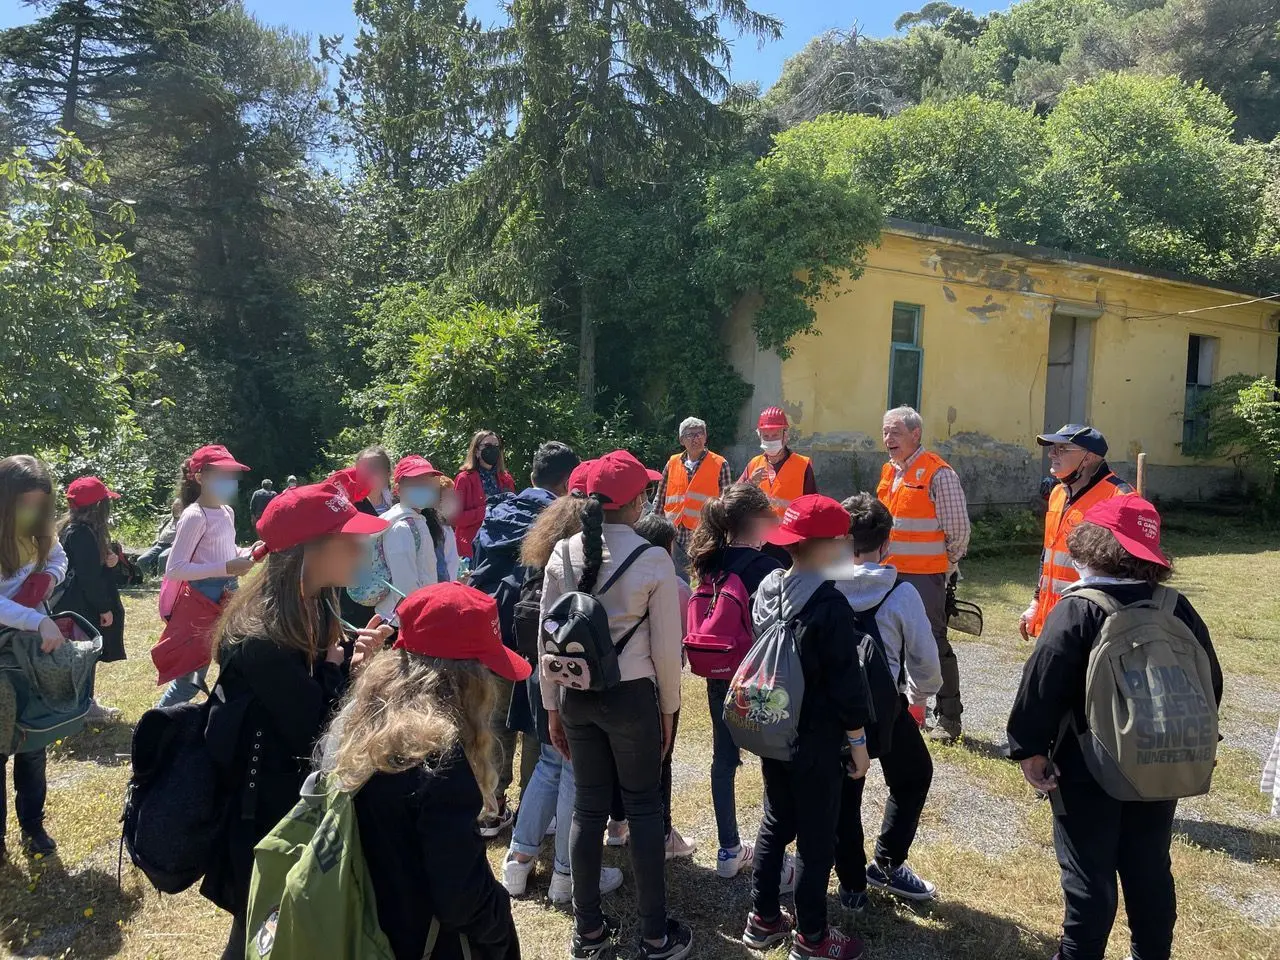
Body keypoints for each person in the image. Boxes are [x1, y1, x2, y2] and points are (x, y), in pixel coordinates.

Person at [1007, 496, 1223, 960]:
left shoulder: (1081, 608)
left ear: (1089, 545)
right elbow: (1210, 682)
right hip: (1156, 758)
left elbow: (1043, 683)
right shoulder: (1175, 605)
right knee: (1149, 867)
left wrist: (1029, 749)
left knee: (1089, 874)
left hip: (1089, 765)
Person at [200, 482, 389, 960]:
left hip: (289, 799)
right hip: (262, 813)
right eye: (349, 538)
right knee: (259, 926)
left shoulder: (314, 606)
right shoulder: (260, 638)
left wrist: (343, 663)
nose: (361, 548)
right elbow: (317, 730)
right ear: (310, 550)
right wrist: (341, 669)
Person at [317, 581, 525, 960]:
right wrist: (501, 922)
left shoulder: (363, 721)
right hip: (419, 941)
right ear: (468, 679)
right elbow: (461, 898)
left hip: (362, 923)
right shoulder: (441, 760)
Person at [540, 451, 692, 960]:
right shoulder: (653, 560)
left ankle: (588, 931)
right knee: (645, 809)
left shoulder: (561, 552)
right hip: (631, 698)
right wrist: (669, 710)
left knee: (587, 808)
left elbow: (548, 639)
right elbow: (668, 650)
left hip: (577, 695)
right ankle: (654, 934)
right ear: (638, 500)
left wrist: (552, 707)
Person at [741, 494, 870, 960]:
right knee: (818, 837)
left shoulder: (768, 588)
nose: (846, 548)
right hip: (815, 736)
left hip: (773, 724)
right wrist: (858, 741)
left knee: (776, 818)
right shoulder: (829, 604)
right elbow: (845, 683)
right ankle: (813, 937)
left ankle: (763, 918)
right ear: (823, 546)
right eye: (841, 541)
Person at [501, 494, 624, 905]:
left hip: (539, 673)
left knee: (550, 763)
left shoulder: (537, 564)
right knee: (574, 766)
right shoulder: (582, 564)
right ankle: (566, 874)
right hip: (572, 673)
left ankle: (518, 861)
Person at [830, 493, 942, 911]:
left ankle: (853, 887)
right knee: (913, 776)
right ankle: (888, 862)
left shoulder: (821, 581)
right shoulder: (901, 592)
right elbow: (926, 664)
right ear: (886, 544)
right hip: (885, 708)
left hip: (835, 709)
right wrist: (918, 698)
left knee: (846, 797)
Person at [470, 441, 581, 830]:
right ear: (568, 480)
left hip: (491, 628)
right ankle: (537, 812)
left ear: (532, 475)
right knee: (538, 717)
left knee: (497, 717)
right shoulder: (559, 517)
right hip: (535, 628)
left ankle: (492, 805)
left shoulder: (497, 510)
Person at [685, 482, 781, 879]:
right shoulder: (768, 567)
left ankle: (727, 849)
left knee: (723, 760)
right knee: (773, 761)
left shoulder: (710, 561)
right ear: (757, 521)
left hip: (720, 674)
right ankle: (769, 846)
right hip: (758, 674)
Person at [877, 405, 971, 742]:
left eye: (895, 432)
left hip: (925, 578)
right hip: (888, 575)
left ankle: (949, 716)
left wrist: (947, 565)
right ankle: (908, 710)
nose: (888, 438)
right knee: (892, 640)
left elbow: (958, 531)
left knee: (932, 643)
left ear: (915, 434)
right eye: (886, 432)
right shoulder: (890, 472)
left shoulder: (939, 474)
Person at [0, 455, 68, 860]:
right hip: (6, 648)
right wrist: (32, 618)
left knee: (32, 737)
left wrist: (47, 577)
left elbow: (59, 558)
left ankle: (33, 824)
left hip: (29, 649)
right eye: (23, 504)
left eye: (39, 505)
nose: (32, 513)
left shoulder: (42, 526)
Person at [157, 445, 257, 708]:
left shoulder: (227, 512)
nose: (230, 482)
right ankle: (156, 724)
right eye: (221, 476)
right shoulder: (194, 515)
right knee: (189, 679)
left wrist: (248, 552)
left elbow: (226, 550)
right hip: (202, 599)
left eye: (232, 476)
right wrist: (226, 567)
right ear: (200, 478)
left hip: (229, 592)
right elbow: (175, 568)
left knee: (236, 660)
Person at [1021, 424, 1134, 641]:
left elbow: (1131, 571)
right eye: (1052, 447)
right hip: (1055, 615)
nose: (1052, 453)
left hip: (1092, 621)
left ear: (1089, 457)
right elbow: (1049, 553)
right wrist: (1036, 603)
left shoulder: (1121, 498)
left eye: (1062, 448)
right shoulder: (1057, 493)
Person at [632, 512, 695, 861]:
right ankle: (663, 832)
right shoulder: (677, 588)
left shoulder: (621, 577)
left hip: (627, 680)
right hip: (660, 684)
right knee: (661, 760)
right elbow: (677, 645)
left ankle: (618, 823)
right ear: (669, 548)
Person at [57, 477, 127, 720]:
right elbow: (89, 578)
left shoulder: (69, 528)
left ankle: (82, 705)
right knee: (85, 657)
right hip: (81, 607)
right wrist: (104, 608)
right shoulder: (83, 534)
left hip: (72, 605)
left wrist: (112, 561)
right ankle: (83, 708)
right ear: (98, 507)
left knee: (78, 658)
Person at [376, 456, 458, 623]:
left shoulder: (416, 520)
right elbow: (405, 586)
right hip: (405, 621)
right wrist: (422, 620)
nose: (424, 488)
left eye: (427, 483)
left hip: (417, 613)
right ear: (398, 490)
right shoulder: (402, 528)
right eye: (416, 483)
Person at [651, 417, 732, 574]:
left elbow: (726, 502)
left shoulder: (720, 464)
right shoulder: (672, 463)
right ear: (682, 440)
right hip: (674, 533)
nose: (696, 438)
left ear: (706, 437)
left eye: (700, 433)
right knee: (676, 578)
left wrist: (724, 532)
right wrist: (655, 528)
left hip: (703, 534)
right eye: (690, 434)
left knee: (702, 576)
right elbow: (660, 498)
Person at [739, 406, 817, 518]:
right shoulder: (754, 464)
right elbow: (734, 497)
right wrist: (751, 482)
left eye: (775, 435)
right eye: (766, 436)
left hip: (791, 533)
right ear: (760, 437)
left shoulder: (803, 465)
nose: (770, 440)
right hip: (759, 533)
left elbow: (812, 507)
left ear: (785, 436)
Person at [455, 431, 516, 560]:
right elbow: (456, 518)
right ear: (476, 451)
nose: (492, 449)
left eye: (496, 446)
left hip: (501, 544)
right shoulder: (464, 479)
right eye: (487, 445)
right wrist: (486, 510)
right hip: (472, 549)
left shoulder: (506, 479)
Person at [138, 498, 182, 577]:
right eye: (174, 505)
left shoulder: (185, 519)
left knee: (163, 557)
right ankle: (150, 579)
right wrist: (157, 539)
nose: (174, 507)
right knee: (142, 560)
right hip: (159, 545)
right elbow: (160, 530)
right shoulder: (168, 518)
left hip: (173, 546)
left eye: (178, 506)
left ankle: (161, 580)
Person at [356, 445, 396, 515]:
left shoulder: (399, 503)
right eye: (364, 468)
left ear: (388, 473)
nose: (370, 472)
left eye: (376, 467)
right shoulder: (350, 506)